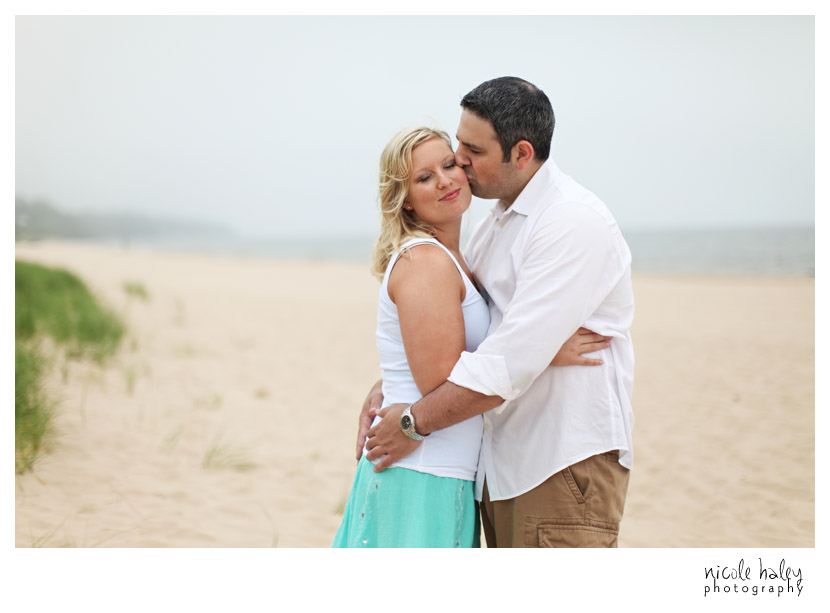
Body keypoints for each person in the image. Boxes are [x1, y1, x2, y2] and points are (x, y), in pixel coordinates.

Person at [363, 77, 636, 548]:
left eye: (470, 151)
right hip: (500, 468)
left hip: (558, 463)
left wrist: (412, 421)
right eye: (457, 147)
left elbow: (510, 361)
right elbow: (472, 338)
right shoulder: (494, 226)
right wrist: (388, 383)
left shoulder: (569, 222)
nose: (460, 162)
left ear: (521, 153)